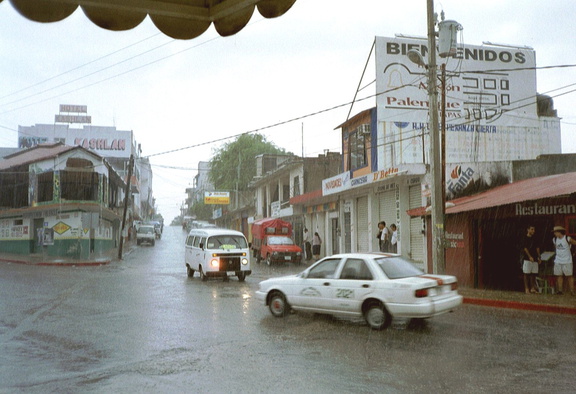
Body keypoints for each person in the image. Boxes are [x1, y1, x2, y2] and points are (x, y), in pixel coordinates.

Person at [552, 226, 576, 295]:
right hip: (558, 260)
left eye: (555, 232)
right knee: (559, 275)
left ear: (559, 232)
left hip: (567, 260)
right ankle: (560, 290)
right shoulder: (554, 239)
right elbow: (556, 247)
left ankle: (572, 291)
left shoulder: (567, 238)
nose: (555, 234)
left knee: (569, 276)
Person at [522, 225, 541, 294]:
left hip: (535, 257)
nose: (533, 231)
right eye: (532, 229)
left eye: (534, 230)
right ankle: (526, 288)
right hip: (527, 259)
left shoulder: (535, 238)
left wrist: (539, 257)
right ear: (528, 230)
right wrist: (529, 256)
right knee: (526, 273)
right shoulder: (524, 238)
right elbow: (525, 248)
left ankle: (532, 288)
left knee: (533, 273)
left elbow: (537, 247)